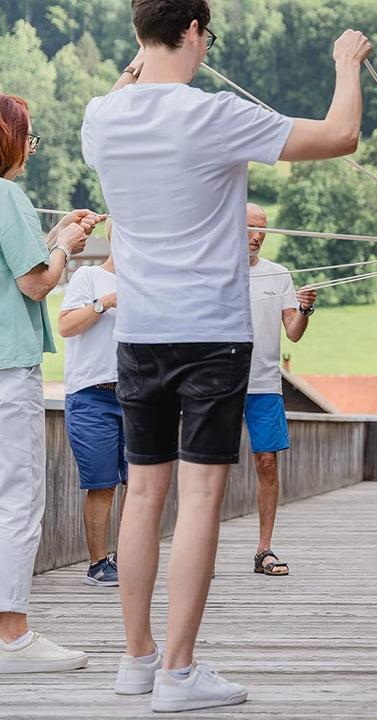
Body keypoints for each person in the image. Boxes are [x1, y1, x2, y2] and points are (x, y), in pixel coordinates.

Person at [81, 0, 372, 710]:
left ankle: (137, 660)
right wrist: (345, 63)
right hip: (211, 334)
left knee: (143, 495)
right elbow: (340, 135)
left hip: (138, 335)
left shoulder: (100, 118)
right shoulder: (212, 116)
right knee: (202, 497)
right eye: (205, 33)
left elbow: (127, 88)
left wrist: (137, 66)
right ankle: (179, 673)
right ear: (191, 32)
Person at [0, 92, 99, 673]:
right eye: (28, 139)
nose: (30, 153)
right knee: (17, 501)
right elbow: (36, 284)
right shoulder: (8, 193)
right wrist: (64, 245)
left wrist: (54, 236)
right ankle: (13, 635)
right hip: (8, 371)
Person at [244, 202, 317, 577]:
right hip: (219, 386)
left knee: (267, 464)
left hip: (264, 386)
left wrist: (304, 310)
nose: (257, 236)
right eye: (251, 228)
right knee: (211, 468)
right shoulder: (213, 271)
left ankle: (264, 550)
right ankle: (202, 552)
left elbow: (293, 331)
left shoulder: (279, 275)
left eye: (263, 229)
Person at [58, 217, 126, 588]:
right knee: (102, 484)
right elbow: (66, 326)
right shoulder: (88, 278)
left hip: (137, 397)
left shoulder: (149, 284)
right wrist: (106, 302)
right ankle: (98, 565)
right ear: (115, 239)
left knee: (139, 483)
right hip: (91, 396)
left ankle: (128, 558)